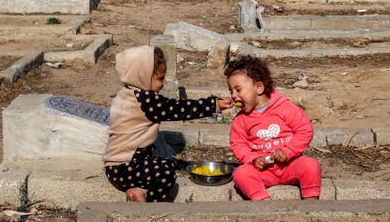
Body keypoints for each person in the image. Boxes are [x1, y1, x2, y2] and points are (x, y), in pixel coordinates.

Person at [103, 46, 233, 202]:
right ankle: (144, 198)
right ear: (142, 77)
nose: (164, 82)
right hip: (128, 167)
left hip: (115, 168)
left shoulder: (125, 94)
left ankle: (137, 190)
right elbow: (179, 109)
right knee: (166, 170)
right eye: (160, 78)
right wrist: (213, 105)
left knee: (161, 160)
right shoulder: (146, 100)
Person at [226, 56, 321, 201]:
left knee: (310, 165)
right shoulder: (241, 120)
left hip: (290, 165)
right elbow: (238, 144)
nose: (233, 96)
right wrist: (252, 159)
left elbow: (304, 130)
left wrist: (288, 151)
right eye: (231, 91)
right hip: (263, 171)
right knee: (241, 173)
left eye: (238, 90)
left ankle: (311, 204)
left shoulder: (285, 108)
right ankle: (265, 203)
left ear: (259, 87)